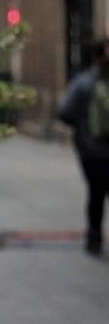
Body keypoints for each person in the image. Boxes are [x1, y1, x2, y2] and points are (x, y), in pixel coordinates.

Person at [58, 40, 109, 256]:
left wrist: (82, 125)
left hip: (92, 151)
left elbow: (64, 112)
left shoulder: (82, 82)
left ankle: (94, 238)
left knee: (96, 195)